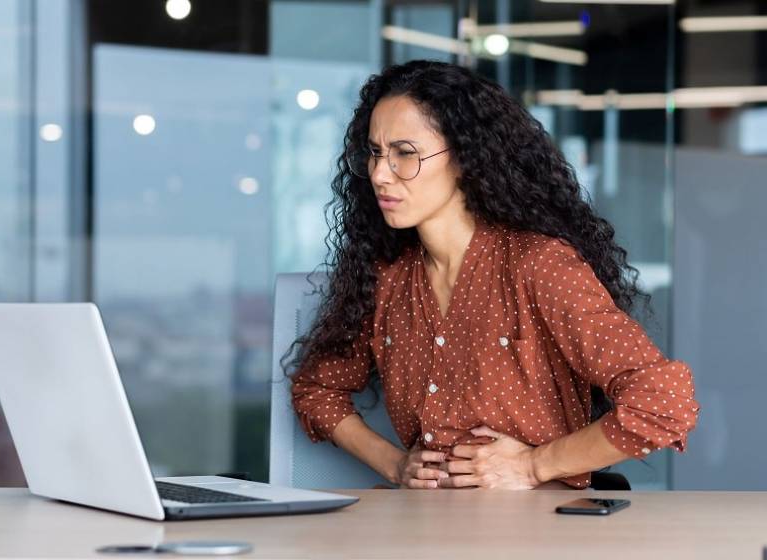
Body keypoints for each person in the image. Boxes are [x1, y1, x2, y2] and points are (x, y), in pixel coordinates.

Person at [288, 60, 699, 490]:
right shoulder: (388, 277)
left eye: (404, 154)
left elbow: (664, 403)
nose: (378, 174)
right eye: (374, 153)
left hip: (535, 533)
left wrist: (533, 466)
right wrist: (393, 464)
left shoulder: (538, 265)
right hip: (420, 530)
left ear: (465, 158)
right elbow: (317, 391)